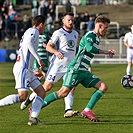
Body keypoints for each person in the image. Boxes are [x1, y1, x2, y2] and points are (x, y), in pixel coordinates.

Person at [39, 15, 116, 122]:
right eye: (105, 27)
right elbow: (89, 48)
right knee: (62, 93)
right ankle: (36, 107)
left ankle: (87, 110)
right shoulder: (91, 35)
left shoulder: (97, 38)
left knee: (103, 87)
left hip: (83, 70)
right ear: (99, 26)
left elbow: (85, 52)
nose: (106, 30)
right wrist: (106, 52)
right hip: (76, 69)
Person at [20, 12, 79, 118]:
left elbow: (73, 50)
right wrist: (56, 52)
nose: (71, 22)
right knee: (47, 87)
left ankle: (68, 109)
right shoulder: (58, 32)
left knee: (71, 87)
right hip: (57, 65)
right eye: (68, 20)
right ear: (63, 21)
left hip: (69, 66)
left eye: (72, 20)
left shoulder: (75, 33)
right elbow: (48, 47)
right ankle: (30, 99)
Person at [0, 15, 46, 126]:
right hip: (23, 69)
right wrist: (39, 59)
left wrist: (34, 68)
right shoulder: (33, 31)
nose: (44, 28)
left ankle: (33, 118)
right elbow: (28, 44)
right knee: (22, 97)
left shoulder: (31, 32)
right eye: (44, 25)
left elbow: (28, 50)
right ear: (41, 24)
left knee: (41, 92)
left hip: (28, 70)